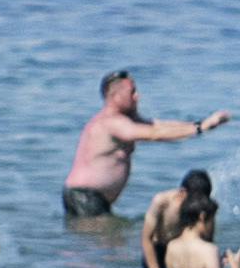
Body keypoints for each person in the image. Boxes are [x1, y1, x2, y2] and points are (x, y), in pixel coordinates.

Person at [68, 69, 223, 232]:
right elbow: (153, 134)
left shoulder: (125, 120)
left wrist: (200, 125)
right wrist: (199, 129)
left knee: (107, 245)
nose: (137, 96)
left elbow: (157, 126)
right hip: (85, 197)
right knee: (107, 248)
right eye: (132, 92)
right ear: (115, 96)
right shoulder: (112, 123)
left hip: (88, 197)